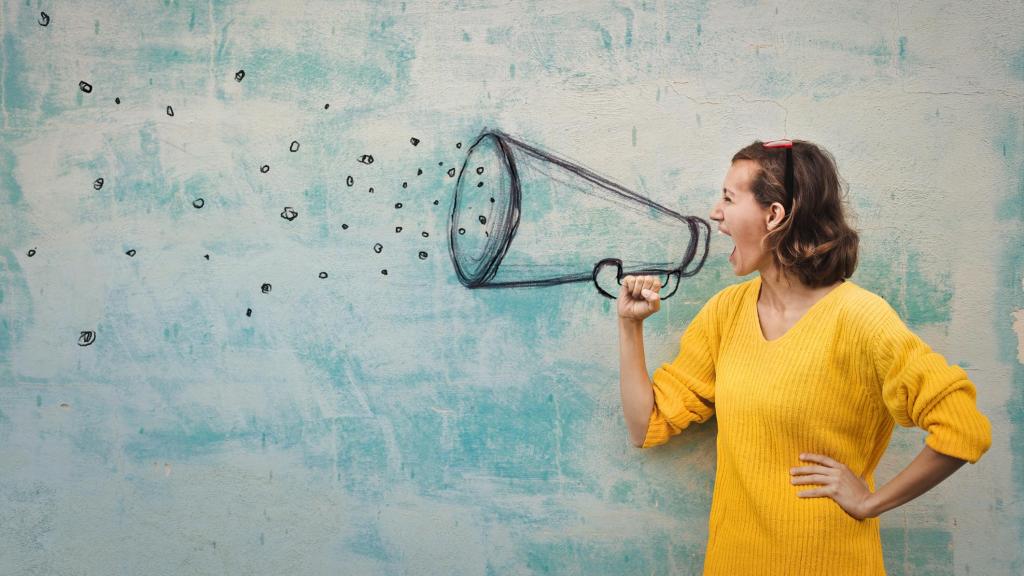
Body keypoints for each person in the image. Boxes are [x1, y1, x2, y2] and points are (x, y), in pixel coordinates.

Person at [616, 139, 992, 575]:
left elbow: (963, 429)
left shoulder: (860, 317)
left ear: (774, 215)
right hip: (734, 562)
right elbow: (646, 425)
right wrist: (630, 326)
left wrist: (870, 502)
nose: (715, 214)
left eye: (728, 198)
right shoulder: (725, 312)